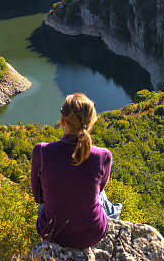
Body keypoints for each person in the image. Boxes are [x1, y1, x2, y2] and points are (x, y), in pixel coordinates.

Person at [30, 93, 122, 249]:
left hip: (50, 232)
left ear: (62, 121)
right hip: (92, 234)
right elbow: (99, 189)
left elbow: (38, 197)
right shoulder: (104, 155)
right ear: (91, 122)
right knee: (101, 195)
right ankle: (115, 212)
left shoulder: (41, 151)